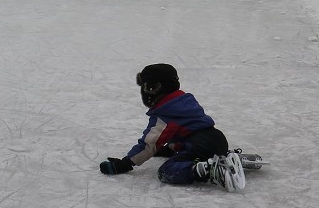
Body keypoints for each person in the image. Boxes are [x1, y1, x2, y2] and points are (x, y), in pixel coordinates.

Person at [99, 63, 245, 192]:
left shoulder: (165, 113)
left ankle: (208, 169)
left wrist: (124, 164)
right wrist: (167, 149)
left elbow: (148, 144)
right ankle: (228, 158)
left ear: (152, 88)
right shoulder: (183, 101)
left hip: (199, 145)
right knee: (184, 151)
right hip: (217, 138)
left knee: (166, 171)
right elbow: (187, 130)